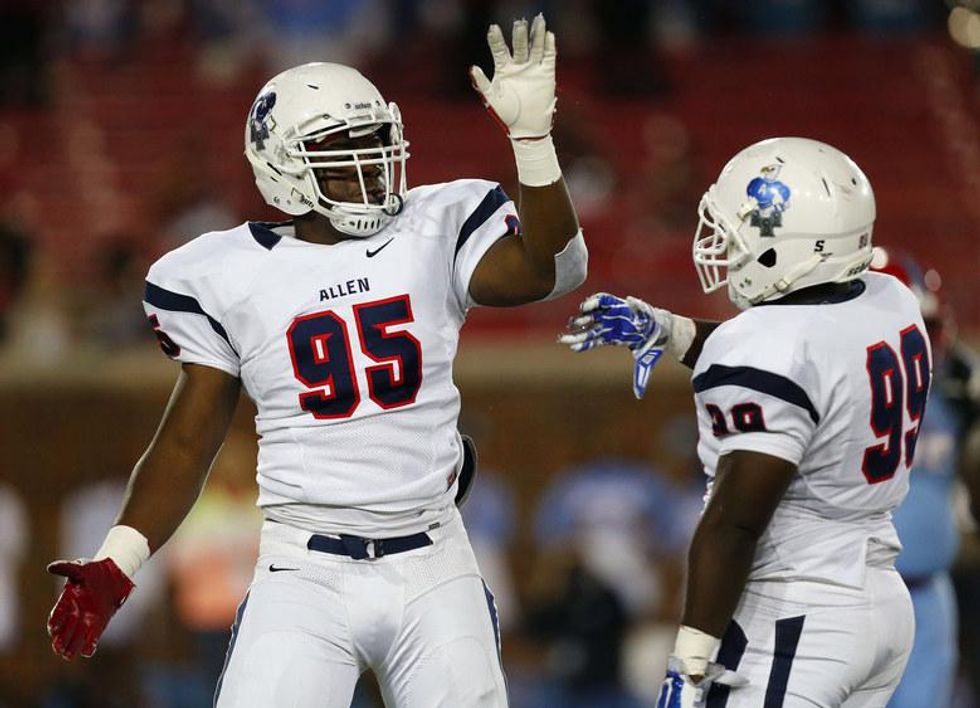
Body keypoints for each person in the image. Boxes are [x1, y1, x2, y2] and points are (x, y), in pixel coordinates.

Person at [46, 14, 585, 708]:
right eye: (342, 148)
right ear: (283, 167)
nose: (369, 165)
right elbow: (188, 437)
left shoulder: (433, 226)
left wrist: (532, 142)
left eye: (375, 142)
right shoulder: (225, 273)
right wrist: (118, 562)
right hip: (303, 569)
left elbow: (554, 270)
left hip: (433, 559)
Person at [561, 137, 927, 707]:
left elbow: (735, 522)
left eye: (741, 234)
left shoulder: (770, 347)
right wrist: (671, 330)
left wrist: (689, 662)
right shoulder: (889, 301)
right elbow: (802, 365)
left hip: (797, 611)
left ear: (792, 246)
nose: (724, 248)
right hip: (880, 598)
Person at [868, 247, 980, 708]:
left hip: (929, 590)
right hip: (848, 595)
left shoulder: (955, 389)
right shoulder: (828, 386)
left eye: (927, 326)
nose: (922, 341)